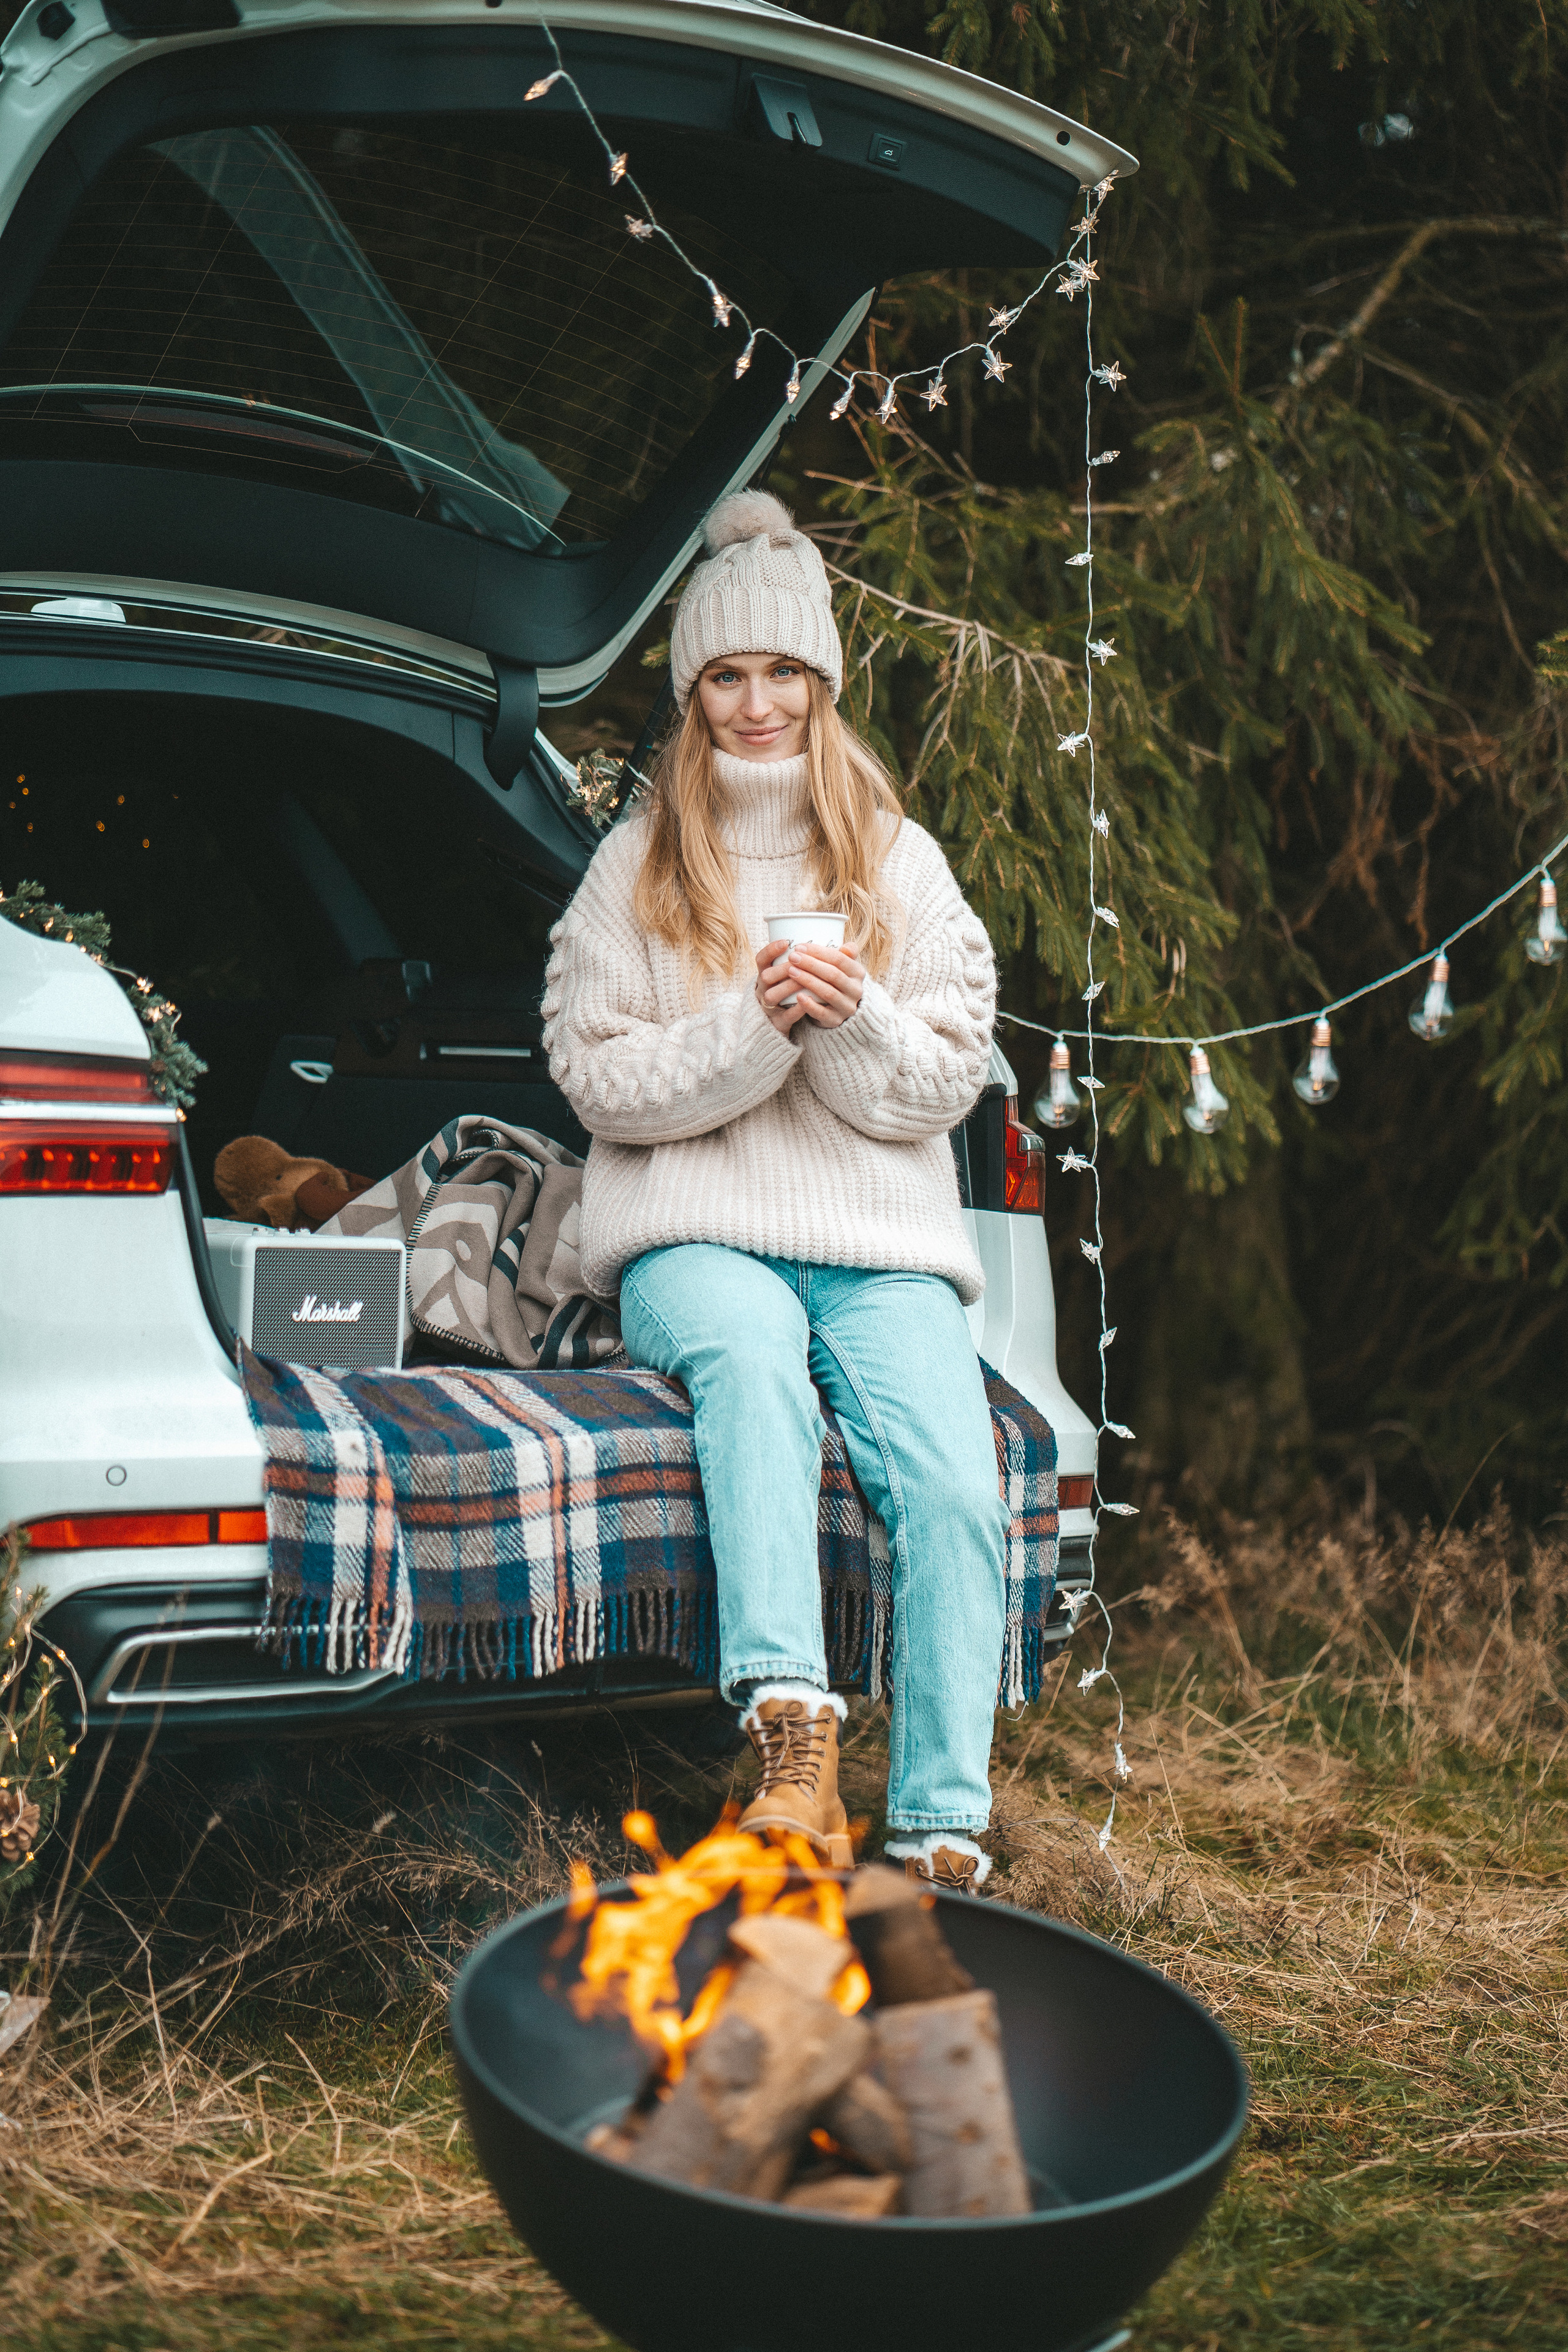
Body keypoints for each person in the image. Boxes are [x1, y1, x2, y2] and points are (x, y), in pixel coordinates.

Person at [542, 490, 1006, 1890]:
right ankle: (791, 1737)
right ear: (693, 695)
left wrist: (849, 1014)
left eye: (782, 674)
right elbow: (593, 1076)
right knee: (753, 1370)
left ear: (821, 684)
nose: (756, 705)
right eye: (727, 677)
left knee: (949, 1479)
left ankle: (937, 1826)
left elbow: (941, 1079)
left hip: (878, 1243)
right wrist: (757, 1026)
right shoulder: (635, 863)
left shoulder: (897, 861)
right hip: (693, 1232)